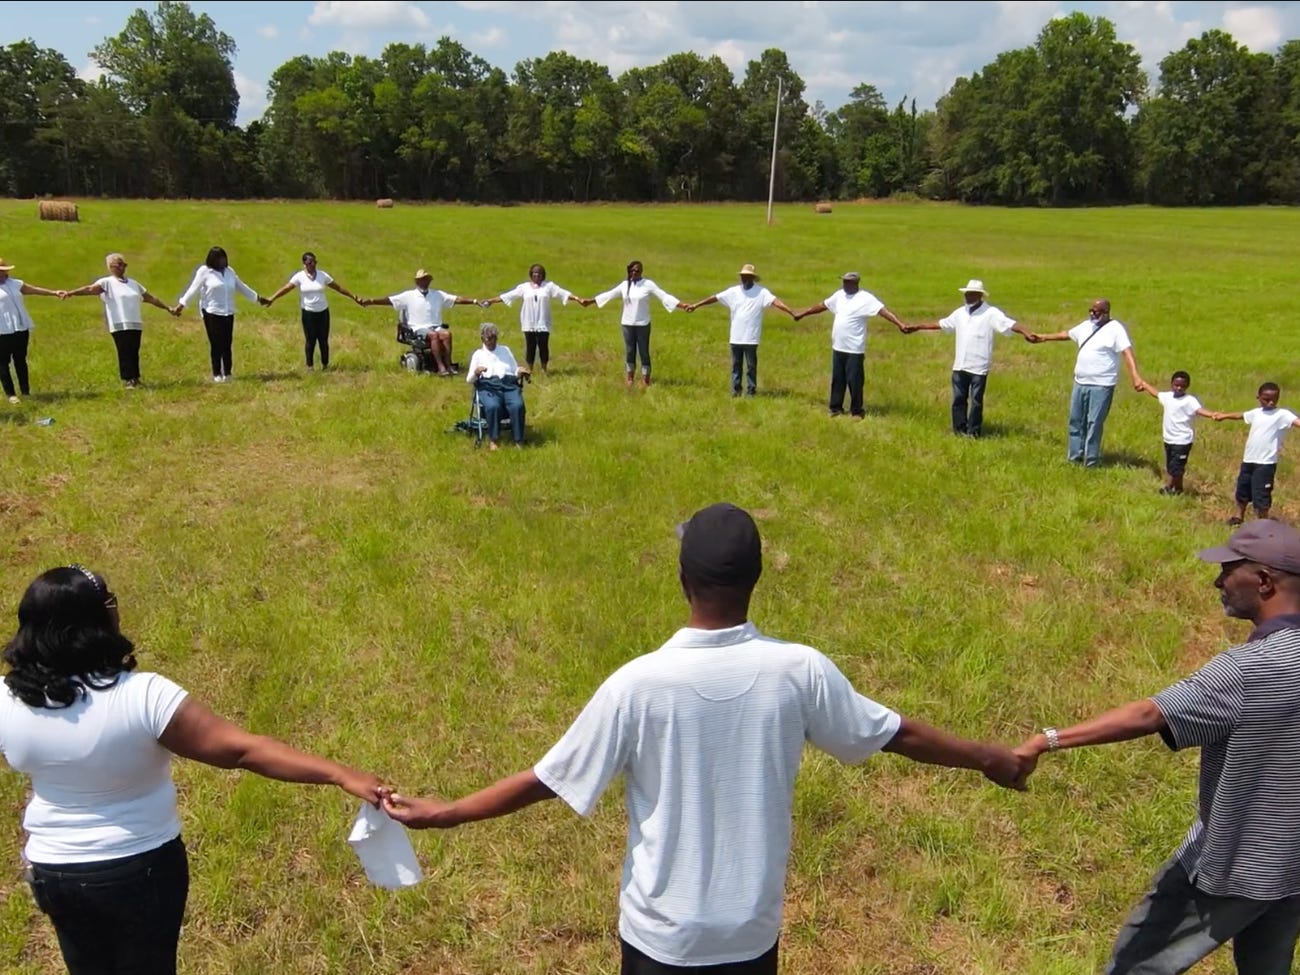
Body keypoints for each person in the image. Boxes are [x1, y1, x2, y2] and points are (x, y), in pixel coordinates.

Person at [383, 502, 1026, 975]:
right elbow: (896, 734)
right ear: (756, 579)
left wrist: (448, 813)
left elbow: (548, 780)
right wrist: (991, 757)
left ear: (683, 581)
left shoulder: (639, 684)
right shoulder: (797, 670)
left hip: (660, 938)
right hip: (749, 932)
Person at [0, 565, 385, 975]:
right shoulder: (141, 696)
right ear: (95, 622)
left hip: (55, 873)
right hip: (139, 869)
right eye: (110, 602)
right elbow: (242, 751)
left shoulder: (8, 700)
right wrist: (340, 773)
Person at [1014, 520, 1300, 975]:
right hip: (1291, 866)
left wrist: (1045, 741)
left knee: (1138, 963)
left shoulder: (1249, 669)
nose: (1218, 581)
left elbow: (1151, 715)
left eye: (1229, 570)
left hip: (1236, 861)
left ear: (1264, 581)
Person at [902, 278, 1039, 437]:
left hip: (979, 366)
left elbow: (1009, 324)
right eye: (966, 293)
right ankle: (959, 430)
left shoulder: (990, 313)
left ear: (979, 295)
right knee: (958, 399)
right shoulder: (960, 313)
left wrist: (1026, 332)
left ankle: (974, 432)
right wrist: (918, 326)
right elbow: (942, 324)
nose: (967, 296)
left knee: (976, 401)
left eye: (971, 293)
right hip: (960, 364)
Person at [1031, 299, 1145, 466]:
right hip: (1080, 382)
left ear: (1106, 312)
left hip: (1102, 385)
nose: (1092, 314)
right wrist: (1043, 338)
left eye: (1096, 311)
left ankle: (1091, 461)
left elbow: (1127, 352)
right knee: (1075, 420)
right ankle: (1074, 457)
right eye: (1090, 310)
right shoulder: (1086, 326)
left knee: (1094, 422)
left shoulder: (1115, 329)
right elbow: (1066, 334)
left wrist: (1135, 376)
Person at [793, 272, 909, 418]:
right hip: (838, 346)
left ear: (855, 283)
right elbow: (822, 305)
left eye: (847, 282)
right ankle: (835, 408)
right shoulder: (839, 295)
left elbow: (883, 311)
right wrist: (803, 313)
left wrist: (900, 324)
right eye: (844, 281)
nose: (844, 284)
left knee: (855, 381)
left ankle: (857, 411)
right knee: (837, 379)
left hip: (854, 348)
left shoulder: (865, 298)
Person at [60, 253, 179, 389]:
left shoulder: (134, 284)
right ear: (111, 267)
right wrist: (71, 293)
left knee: (134, 349)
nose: (123, 268)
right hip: (119, 323)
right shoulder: (106, 283)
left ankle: (136, 377)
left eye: (124, 265)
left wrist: (168, 308)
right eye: (120, 265)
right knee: (124, 350)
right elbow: (89, 289)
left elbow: (150, 298)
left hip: (135, 322)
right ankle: (128, 379)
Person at [684, 263, 795, 397]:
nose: (744, 279)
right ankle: (736, 390)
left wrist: (791, 312)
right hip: (736, 336)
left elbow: (776, 302)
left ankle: (751, 391)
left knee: (751, 366)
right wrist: (696, 305)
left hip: (751, 337)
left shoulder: (762, 292)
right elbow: (715, 298)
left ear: (752, 278)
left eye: (747, 276)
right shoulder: (733, 291)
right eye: (742, 276)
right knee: (736, 366)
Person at [174, 246, 270, 384]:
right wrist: (181, 305)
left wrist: (258, 298)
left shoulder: (230, 272)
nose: (223, 261)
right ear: (213, 260)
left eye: (224, 258)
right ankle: (217, 373)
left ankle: (228, 373)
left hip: (228, 312)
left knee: (227, 343)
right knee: (216, 343)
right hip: (211, 312)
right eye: (220, 259)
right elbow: (192, 289)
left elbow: (241, 287)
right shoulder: (205, 272)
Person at [357, 268, 476, 377]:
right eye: (422, 280)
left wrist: (475, 301)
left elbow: (456, 299)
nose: (425, 282)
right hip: (417, 328)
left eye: (426, 280)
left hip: (435, 326)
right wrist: (371, 301)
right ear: (417, 282)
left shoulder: (437, 294)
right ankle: (440, 367)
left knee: (446, 334)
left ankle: (448, 364)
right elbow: (389, 300)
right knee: (433, 335)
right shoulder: (409, 296)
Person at [478, 264, 593, 375]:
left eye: (539, 274)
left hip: (543, 321)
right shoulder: (524, 287)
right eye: (534, 273)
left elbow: (563, 293)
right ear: (531, 275)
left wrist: (578, 299)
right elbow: (508, 296)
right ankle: (530, 369)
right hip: (529, 321)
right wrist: (491, 300)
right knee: (530, 346)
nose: (537, 276)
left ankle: (544, 368)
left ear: (543, 275)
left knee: (543, 345)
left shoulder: (549, 286)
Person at [1213, 382, 1300, 525]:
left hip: (1265, 464)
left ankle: (1262, 523)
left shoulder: (1282, 414)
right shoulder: (1256, 413)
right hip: (1249, 460)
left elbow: (1297, 422)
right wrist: (1224, 416)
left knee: (1261, 494)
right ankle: (1238, 517)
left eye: (1274, 399)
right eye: (1266, 399)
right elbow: (1241, 415)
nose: (1271, 402)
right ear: (1258, 397)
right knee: (1243, 489)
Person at [593, 260, 687, 388]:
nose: (634, 273)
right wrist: (590, 301)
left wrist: (681, 305)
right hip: (627, 323)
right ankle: (630, 377)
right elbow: (609, 294)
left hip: (643, 324)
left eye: (637, 270)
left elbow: (664, 296)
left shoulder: (648, 284)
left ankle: (646, 378)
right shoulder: (625, 285)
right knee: (630, 351)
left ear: (641, 271)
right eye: (632, 270)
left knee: (643, 351)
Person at [265, 252, 359, 371]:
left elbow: (338, 288)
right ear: (304, 264)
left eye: (315, 262)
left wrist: (353, 297)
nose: (313, 265)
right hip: (308, 313)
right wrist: (272, 298)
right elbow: (286, 288)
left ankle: (325, 365)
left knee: (323, 340)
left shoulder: (322, 275)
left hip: (323, 312)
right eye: (310, 263)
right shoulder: (299, 277)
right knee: (310, 340)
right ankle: (310, 366)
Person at [1137, 371, 1217, 495]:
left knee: (1176, 467)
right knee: (1171, 466)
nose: (1179, 388)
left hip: (1182, 440)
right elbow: (1156, 394)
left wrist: (1212, 414)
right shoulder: (1168, 397)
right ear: (1172, 384)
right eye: (1176, 385)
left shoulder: (1190, 400)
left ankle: (1169, 488)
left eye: (1182, 386)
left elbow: (1199, 410)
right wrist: (1144, 385)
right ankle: (1178, 489)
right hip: (1169, 439)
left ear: (1187, 386)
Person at [0, 256, 64, 404]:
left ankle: (25, 391)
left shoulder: (15, 284)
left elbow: (34, 290)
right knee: (3, 363)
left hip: (20, 327)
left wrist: (54, 292)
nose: (2, 274)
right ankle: (11, 394)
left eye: (4, 271)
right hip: (2, 330)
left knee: (20, 360)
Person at [467, 322, 529, 451]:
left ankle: (518, 440)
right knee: (493, 406)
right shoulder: (478, 354)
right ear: (482, 338)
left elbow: (514, 370)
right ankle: (493, 439)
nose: (491, 341)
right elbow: (469, 379)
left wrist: (520, 371)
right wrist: (476, 372)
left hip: (508, 383)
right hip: (488, 385)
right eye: (488, 339)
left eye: (493, 338)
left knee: (517, 405)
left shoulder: (505, 350)